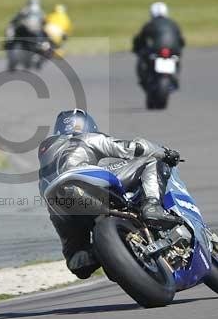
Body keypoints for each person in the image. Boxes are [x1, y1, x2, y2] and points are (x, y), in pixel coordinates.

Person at [38, 109, 182, 279]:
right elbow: (134, 148)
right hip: (83, 180)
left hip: (56, 201)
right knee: (151, 160)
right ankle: (152, 205)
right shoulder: (87, 137)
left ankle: (92, 255)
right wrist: (165, 153)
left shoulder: (46, 148)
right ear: (88, 125)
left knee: (77, 258)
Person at [132, 2, 185, 84]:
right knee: (176, 58)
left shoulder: (150, 24)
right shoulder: (173, 23)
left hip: (157, 50)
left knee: (143, 57)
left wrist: (136, 49)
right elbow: (181, 40)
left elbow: (140, 38)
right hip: (173, 50)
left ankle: (144, 79)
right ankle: (175, 76)